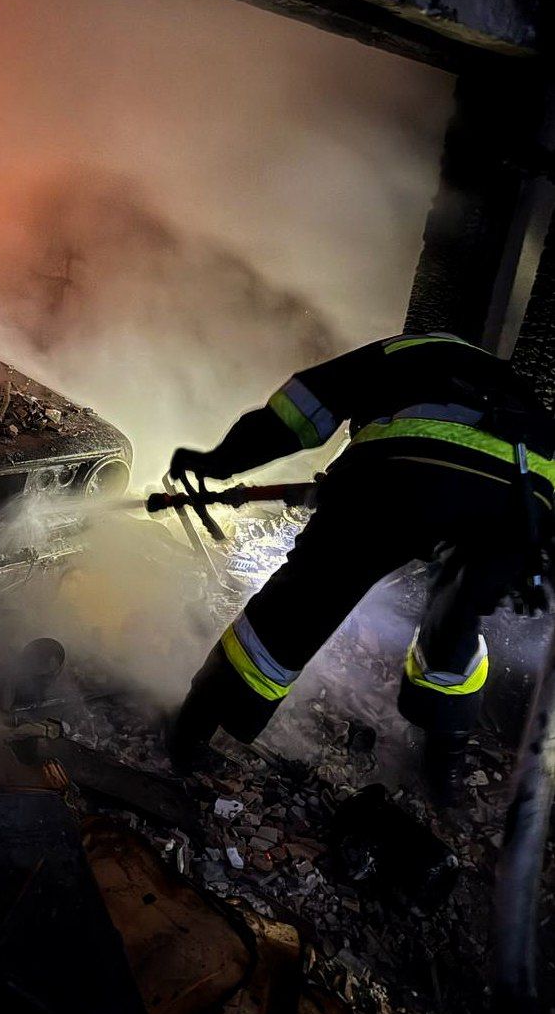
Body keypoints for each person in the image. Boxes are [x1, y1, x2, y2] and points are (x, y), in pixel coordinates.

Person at [166, 331, 555, 801]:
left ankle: (187, 737)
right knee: (454, 628)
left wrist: (224, 460)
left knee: (296, 610)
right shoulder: (512, 383)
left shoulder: (405, 351)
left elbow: (302, 410)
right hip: (519, 504)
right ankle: (445, 772)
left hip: (397, 478)